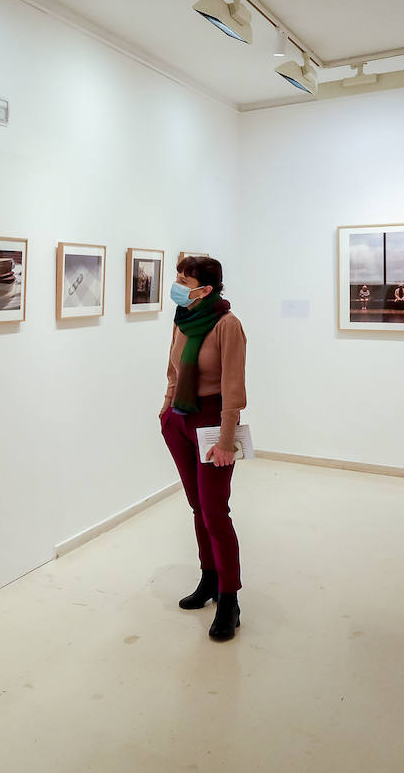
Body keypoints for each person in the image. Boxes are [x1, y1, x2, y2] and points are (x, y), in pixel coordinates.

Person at [159, 256, 247, 642]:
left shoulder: (227, 325)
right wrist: (166, 408)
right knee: (197, 507)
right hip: (179, 418)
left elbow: (233, 386)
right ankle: (208, 579)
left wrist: (227, 439)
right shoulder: (183, 319)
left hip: (212, 422)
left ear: (206, 288)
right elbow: (174, 370)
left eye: (184, 278)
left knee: (215, 511)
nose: (177, 284)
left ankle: (230, 598)